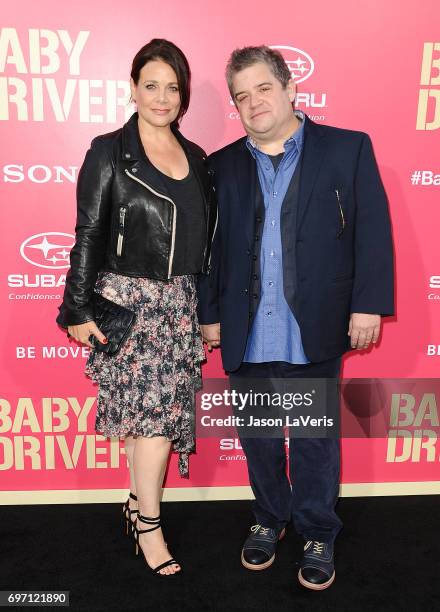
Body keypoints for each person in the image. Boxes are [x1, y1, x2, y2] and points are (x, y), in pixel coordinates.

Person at [197, 46, 393, 590]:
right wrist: (210, 314)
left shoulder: (347, 149)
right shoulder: (222, 165)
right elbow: (210, 250)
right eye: (242, 95)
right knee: (259, 437)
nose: (253, 102)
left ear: (290, 90)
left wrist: (368, 303)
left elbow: (372, 230)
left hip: (315, 325)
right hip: (247, 326)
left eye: (263, 88)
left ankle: (315, 529)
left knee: (312, 438)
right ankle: (268, 517)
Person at [57, 39, 216, 576]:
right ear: (132, 88)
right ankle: (149, 524)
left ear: (183, 95)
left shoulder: (196, 158)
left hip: (179, 305)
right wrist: (75, 309)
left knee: (156, 420)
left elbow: (205, 246)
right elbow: (88, 234)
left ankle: (135, 506)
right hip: (130, 302)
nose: (162, 97)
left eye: (173, 87)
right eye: (152, 85)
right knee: (151, 424)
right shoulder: (109, 151)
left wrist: (207, 312)